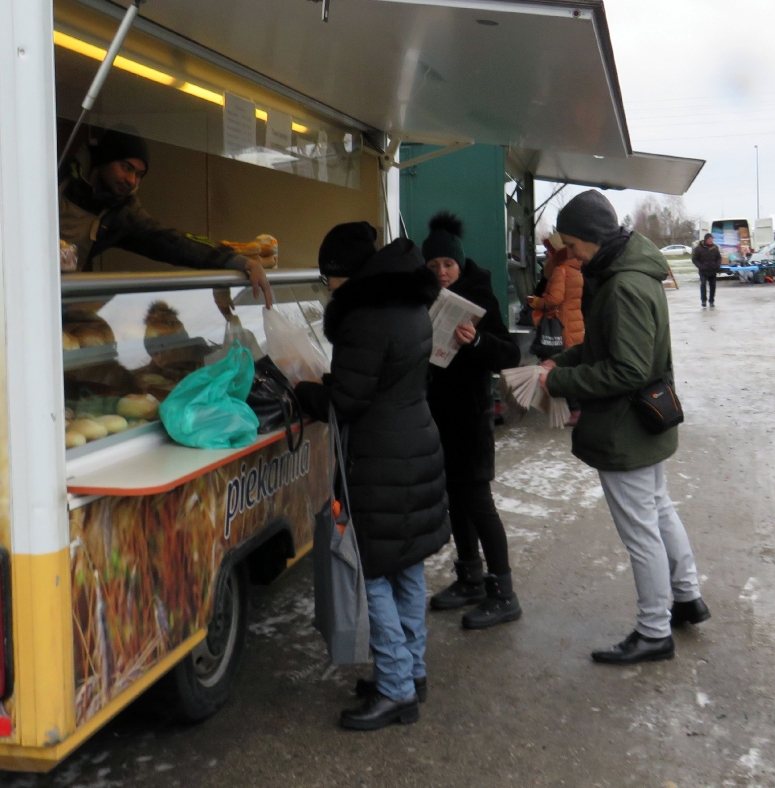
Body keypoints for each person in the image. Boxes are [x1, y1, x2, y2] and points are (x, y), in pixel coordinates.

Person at [538, 190, 710, 666]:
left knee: (641, 531)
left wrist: (557, 381)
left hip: (625, 427)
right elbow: (604, 345)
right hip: (644, 419)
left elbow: (626, 369)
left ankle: (654, 631)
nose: (571, 256)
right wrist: (561, 361)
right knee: (659, 510)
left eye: (573, 245)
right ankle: (687, 597)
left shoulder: (622, 286)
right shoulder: (630, 272)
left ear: (593, 237)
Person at [293, 222, 449, 730]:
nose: (328, 286)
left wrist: (304, 391)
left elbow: (348, 401)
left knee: (374, 573)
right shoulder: (408, 303)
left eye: (328, 277)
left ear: (345, 273)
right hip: (414, 445)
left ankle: (396, 689)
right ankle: (411, 672)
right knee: (406, 568)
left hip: (379, 458)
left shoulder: (363, 317)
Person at [422, 212, 523, 629]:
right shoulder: (423, 297)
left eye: (448, 264)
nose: (442, 272)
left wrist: (477, 340)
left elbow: (509, 354)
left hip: (470, 416)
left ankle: (504, 593)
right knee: (455, 498)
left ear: (460, 263)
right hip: (436, 415)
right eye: (434, 265)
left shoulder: (479, 294)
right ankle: (470, 578)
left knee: (478, 501)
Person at [59, 127, 272, 307]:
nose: (131, 180)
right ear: (103, 160)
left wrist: (240, 262)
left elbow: (172, 242)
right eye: (126, 167)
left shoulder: (123, 212)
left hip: (60, 300)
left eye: (139, 175)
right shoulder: (57, 177)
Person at [529, 234, 584, 425]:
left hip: (561, 326)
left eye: (549, 250)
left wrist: (536, 302)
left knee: (561, 368)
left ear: (557, 252)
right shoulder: (575, 269)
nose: (546, 254)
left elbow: (555, 300)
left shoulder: (560, 270)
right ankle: (576, 408)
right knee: (571, 367)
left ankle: (575, 410)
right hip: (574, 324)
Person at [691, 233, 722, 308]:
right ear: (706, 240)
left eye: (712, 239)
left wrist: (717, 265)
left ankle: (711, 301)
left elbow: (719, 258)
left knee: (713, 286)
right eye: (709, 239)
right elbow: (694, 259)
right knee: (703, 284)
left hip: (713, 270)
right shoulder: (699, 248)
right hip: (703, 271)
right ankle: (703, 301)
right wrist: (700, 266)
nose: (711, 240)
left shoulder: (715, 248)